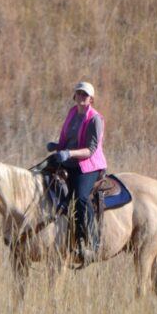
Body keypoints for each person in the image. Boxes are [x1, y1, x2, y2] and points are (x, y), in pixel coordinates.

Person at [46, 81, 107, 263]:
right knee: (43, 177)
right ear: (74, 96)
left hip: (88, 165)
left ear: (91, 99)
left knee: (80, 197)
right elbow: (68, 140)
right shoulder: (72, 113)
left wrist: (68, 153)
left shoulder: (95, 119)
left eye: (85, 95)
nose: (81, 97)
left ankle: (92, 241)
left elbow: (90, 150)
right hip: (69, 161)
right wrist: (57, 147)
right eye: (79, 94)